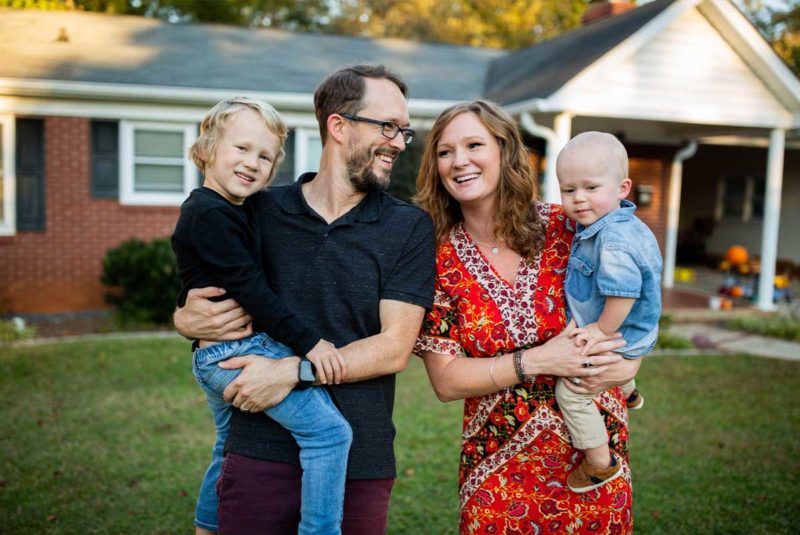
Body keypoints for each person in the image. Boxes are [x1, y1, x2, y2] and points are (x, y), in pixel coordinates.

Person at [173, 64, 435, 535]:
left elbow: (396, 348)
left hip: (360, 460)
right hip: (257, 446)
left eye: (404, 130)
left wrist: (290, 371)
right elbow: (212, 274)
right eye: (388, 126)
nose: (399, 142)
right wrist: (183, 318)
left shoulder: (408, 228)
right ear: (339, 125)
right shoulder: (259, 208)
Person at [414, 100, 640, 534]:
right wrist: (537, 361)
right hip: (496, 473)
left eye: (474, 145)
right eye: (445, 152)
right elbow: (446, 381)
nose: (459, 161)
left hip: (593, 464)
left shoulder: (571, 228)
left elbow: (634, 307)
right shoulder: (434, 257)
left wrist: (631, 364)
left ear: (504, 151)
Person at [171, 97, 354, 535]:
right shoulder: (209, 214)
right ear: (208, 148)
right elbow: (252, 291)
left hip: (215, 353)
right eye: (241, 148)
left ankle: (206, 527)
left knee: (226, 446)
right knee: (330, 435)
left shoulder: (233, 208)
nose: (252, 163)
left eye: (264, 156)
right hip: (235, 350)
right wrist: (312, 343)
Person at [555, 131, 662, 493]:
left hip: (620, 331)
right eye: (568, 190)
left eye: (590, 187)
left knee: (570, 393)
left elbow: (621, 295)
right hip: (635, 330)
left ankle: (600, 463)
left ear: (623, 187)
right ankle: (630, 392)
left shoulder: (613, 241)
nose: (578, 198)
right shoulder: (627, 225)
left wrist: (601, 332)